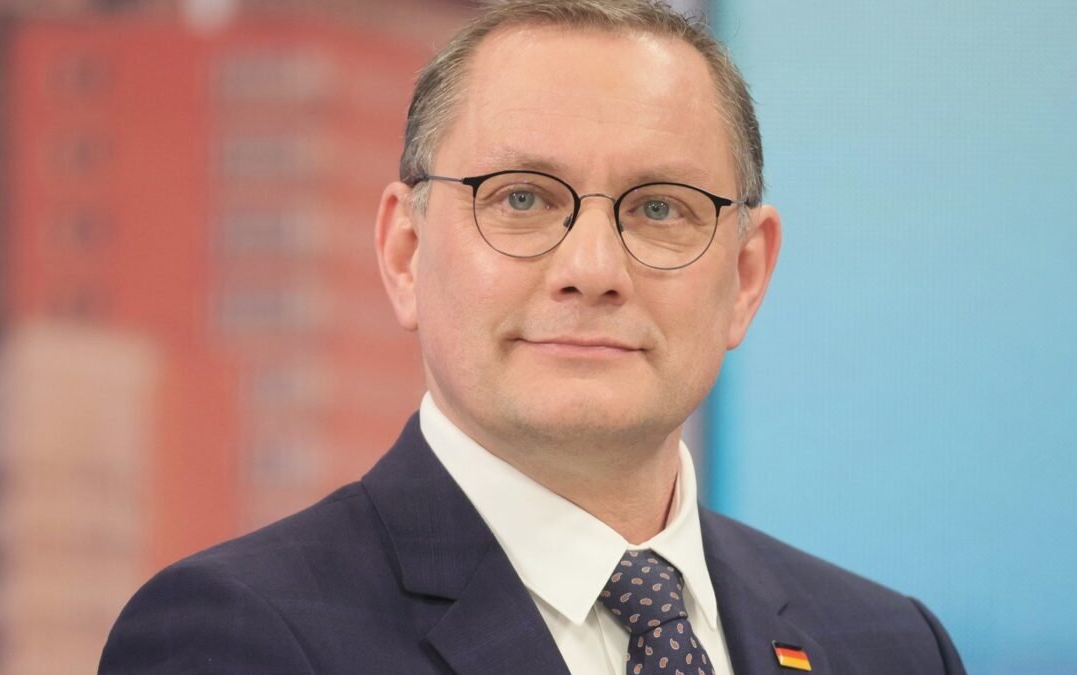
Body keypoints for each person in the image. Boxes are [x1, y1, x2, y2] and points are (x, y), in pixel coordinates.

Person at [100, 1, 966, 673]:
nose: (593, 268)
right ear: (405, 253)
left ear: (745, 277)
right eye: (522, 198)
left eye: (660, 207)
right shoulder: (237, 635)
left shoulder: (889, 644)